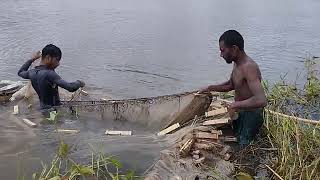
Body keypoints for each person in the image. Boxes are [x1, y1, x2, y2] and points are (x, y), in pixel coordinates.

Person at [199, 30, 267, 145]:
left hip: (251, 116)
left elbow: (261, 100)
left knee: (244, 145)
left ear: (234, 49)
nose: (221, 54)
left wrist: (236, 104)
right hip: (240, 112)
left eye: (223, 50)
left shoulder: (249, 67)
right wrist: (210, 87)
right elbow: (231, 85)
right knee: (234, 139)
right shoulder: (237, 63)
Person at [18, 44, 85, 110]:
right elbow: (70, 87)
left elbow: (20, 72)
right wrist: (79, 82)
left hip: (42, 108)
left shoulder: (32, 72)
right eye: (57, 60)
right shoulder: (50, 74)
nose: (58, 64)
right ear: (48, 58)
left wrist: (32, 59)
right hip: (53, 110)